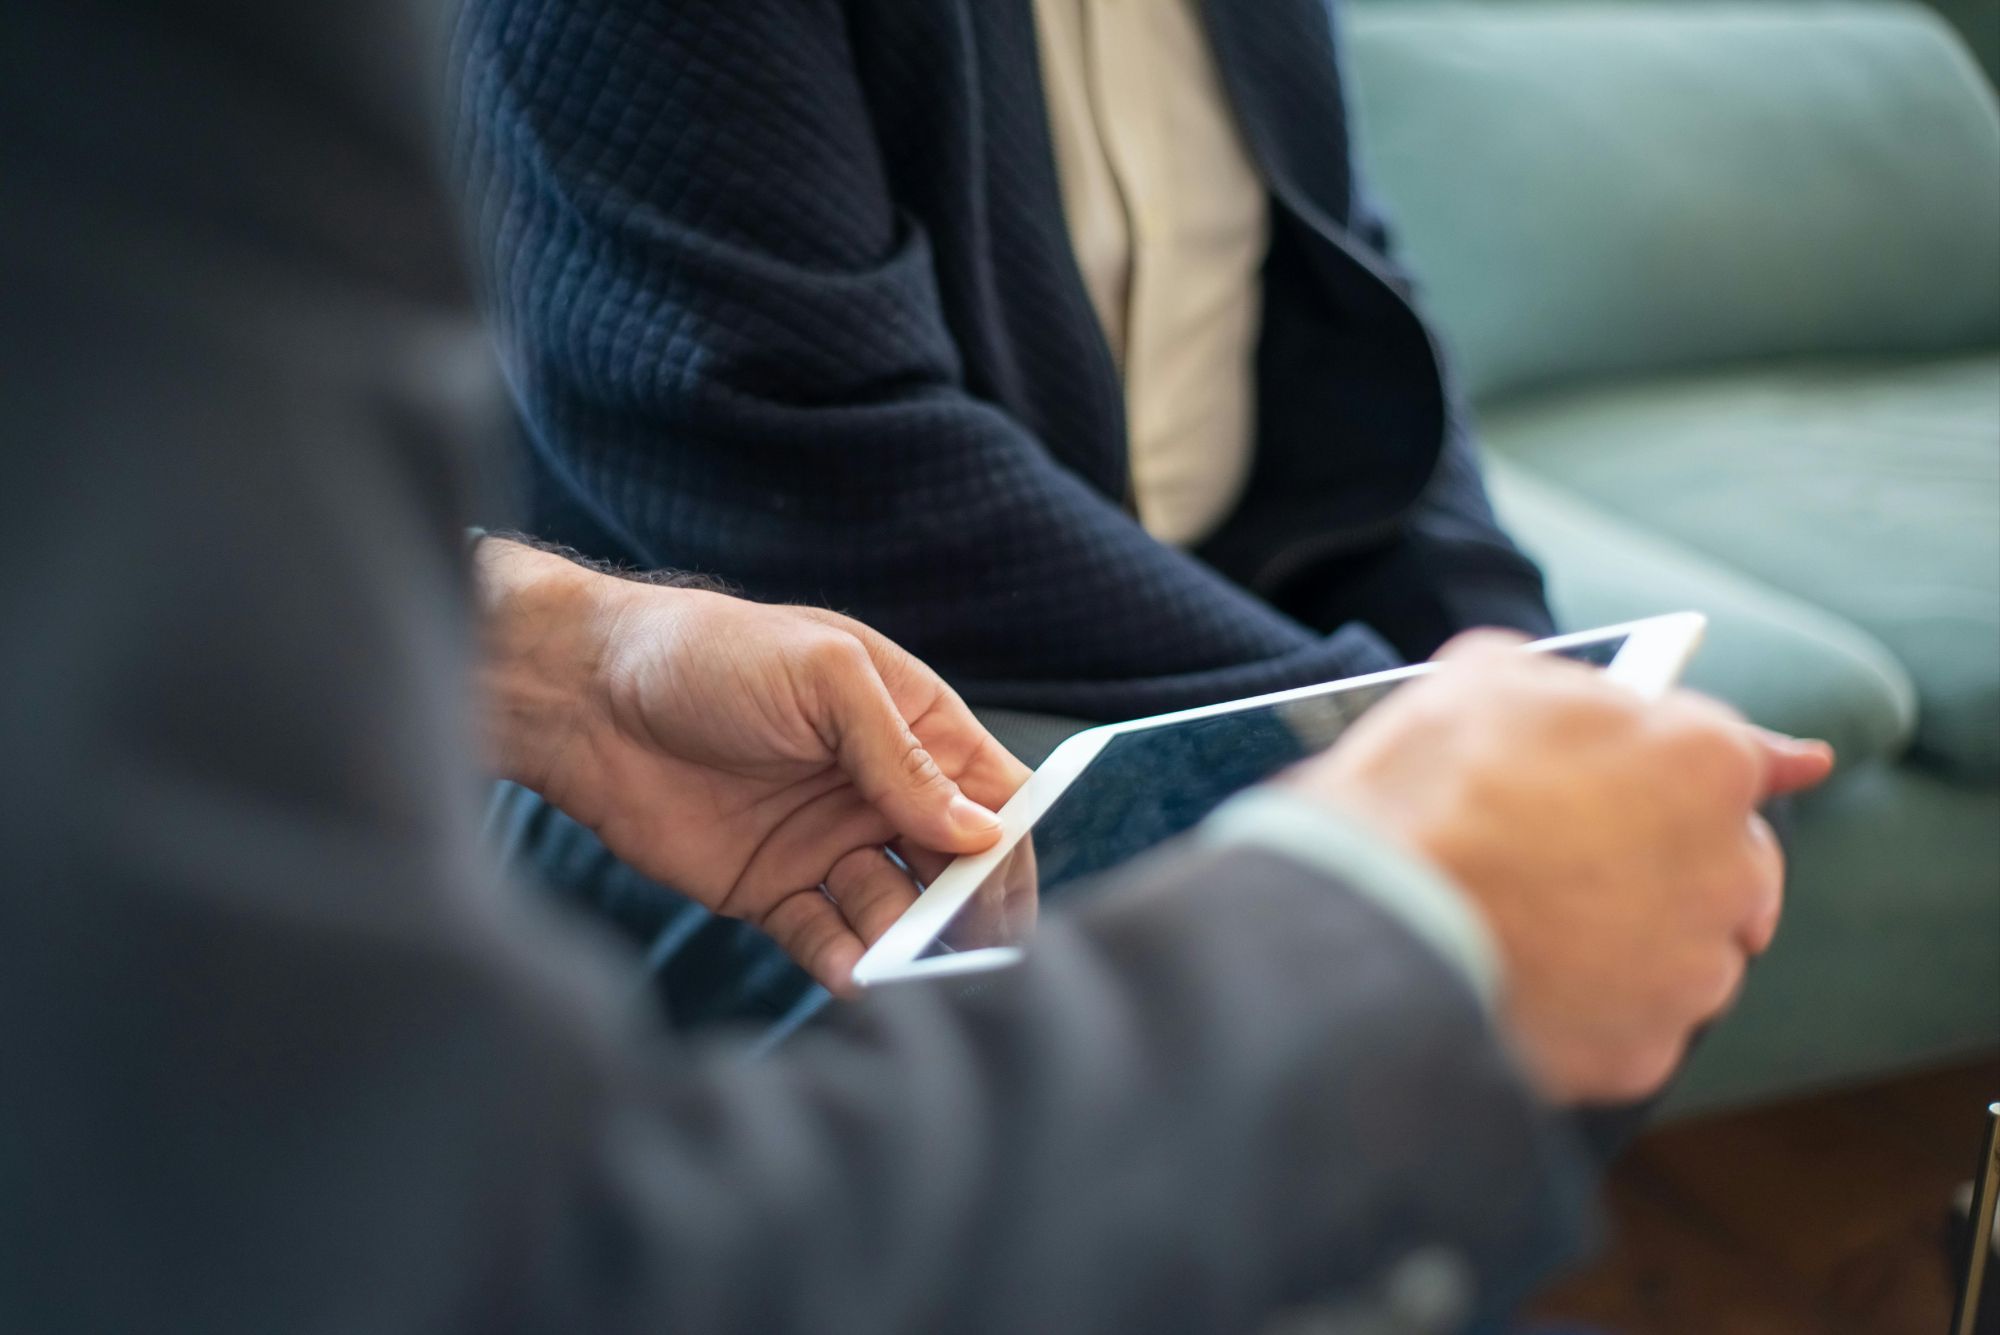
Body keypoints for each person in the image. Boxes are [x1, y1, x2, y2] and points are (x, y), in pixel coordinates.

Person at [1, 4, 1833, 1332]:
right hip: (926, 633)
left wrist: (1500, 682)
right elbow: (406, 1254)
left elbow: (1359, 309)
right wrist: (1392, 902)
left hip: (755, 669)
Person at [456, 0, 1565, 1005]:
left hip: (1197, 601)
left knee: (1579, 852)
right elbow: (798, 443)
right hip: (788, 658)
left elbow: (1348, 279)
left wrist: (1508, 655)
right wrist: (1355, 721)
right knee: (1350, 979)